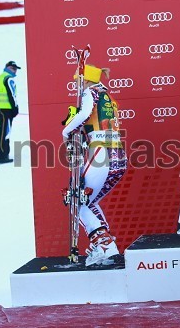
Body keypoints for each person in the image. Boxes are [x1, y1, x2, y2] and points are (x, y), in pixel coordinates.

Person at [62, 64, 127, 266]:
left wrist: (66, 131)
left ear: (86, 80)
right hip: (118, 156)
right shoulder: (108, 96)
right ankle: (107, 247)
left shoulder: (91, 92)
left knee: (76, 199)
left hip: (100, 154)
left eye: (78, 80)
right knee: (89, 201)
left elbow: (85, 114)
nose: (76, 84)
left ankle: (104, 245)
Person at [0, 60, 21, 164]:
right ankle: (2, 156)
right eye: (14, 68)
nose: (15, 71)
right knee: (6, 133)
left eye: (16, 69)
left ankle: (1, 154)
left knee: (3, 131)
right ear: (8, 68)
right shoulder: (9, 79)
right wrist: (15, 108)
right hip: (6, 109)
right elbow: (12, 95)